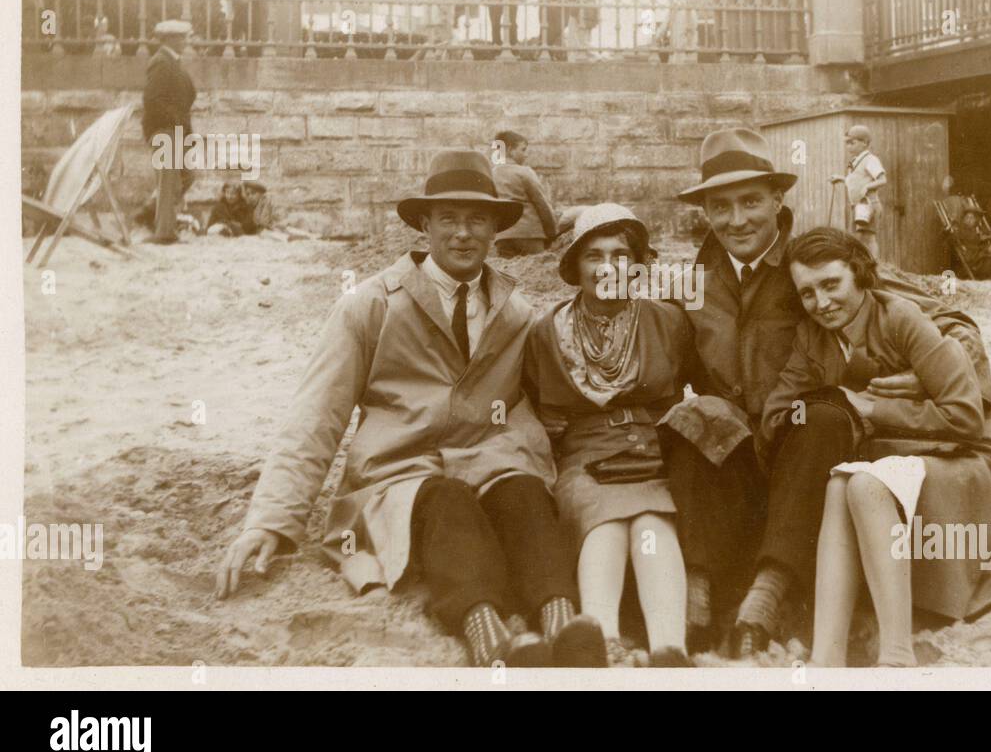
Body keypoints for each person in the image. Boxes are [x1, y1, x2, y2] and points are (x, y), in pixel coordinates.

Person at [215, 149, 606, 668]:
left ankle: (563, 627)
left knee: (526, 495)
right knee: (446, 504)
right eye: (449, 219)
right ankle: (489, 637)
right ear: (424, 224)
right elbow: (316, 416)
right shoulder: (371, 305)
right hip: (400, 475)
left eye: (477, 220)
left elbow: (560, 403)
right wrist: (269, 521)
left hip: (491, 463)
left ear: (496, 230)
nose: (463, 234)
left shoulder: (517, 314)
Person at [661, 128, 991, 658]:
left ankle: (769, 594)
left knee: (819, 415)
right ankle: (696, 591)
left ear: (778, 199)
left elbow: (948, 320)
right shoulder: (691, 282)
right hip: (740, 458)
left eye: (751, 202)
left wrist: (918, 374)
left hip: (811, 453)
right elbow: (662, 358)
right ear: (705, 212)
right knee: (690, 419)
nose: (738, 220)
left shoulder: (813, 262)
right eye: (720, 207)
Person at [761, 227, 991, 666]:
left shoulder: (901, 317)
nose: (822, 302)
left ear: (857, 273)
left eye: (831, 284)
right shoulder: (813, 338)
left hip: (975, 456)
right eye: (808, 293)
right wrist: (827, 405)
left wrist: (873, 410)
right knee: (840, 483)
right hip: (903, 460)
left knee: (865, 486)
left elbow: (966, 418)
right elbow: (777, 413)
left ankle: (896, 657)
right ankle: (827, 660)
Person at [524, 203, 693, 667]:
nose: (607, 267)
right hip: (583, 455)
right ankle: (602, 643)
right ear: (575, 267)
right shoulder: (546, 332)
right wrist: (545, 422)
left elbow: (690, 387)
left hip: (649, 448)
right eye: (594, 256)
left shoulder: (668, 321)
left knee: (652, 522)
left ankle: (669, 650)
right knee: (603, 519)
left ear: (637, 265)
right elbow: (530, 401)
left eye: (620, 254)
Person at [140, 20, 197, 244]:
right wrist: (173, 122)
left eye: (184, 37)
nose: (184, 41)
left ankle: (148, 212)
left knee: (186, 176)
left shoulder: (174, 62)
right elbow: (152, 99)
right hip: (164, 130)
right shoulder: (161, 62)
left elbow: (187, 96)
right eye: (180, 37)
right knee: (169, 181)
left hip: (178, 130)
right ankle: (164, 232)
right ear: (168, 39)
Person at [490, 131, 558, 257]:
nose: (526, 155)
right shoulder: (524, 172)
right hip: (529, 234)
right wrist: (552, 232)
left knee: (507, 273)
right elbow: (542, 204)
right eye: (523, 150)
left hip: (503, 237)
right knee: (536, 271)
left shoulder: (491, 174)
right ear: (510, 150)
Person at [840, 124, 888, 259]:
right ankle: (864, 263)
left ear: (865, 143)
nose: (849, 146)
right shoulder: (855, 161)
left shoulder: (870, 160)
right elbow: (855, 181)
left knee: (867, 237)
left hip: (867, 204)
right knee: (859, 236)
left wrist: (868, 187)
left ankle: (873, 264)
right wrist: (841, 179)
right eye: (847, 143)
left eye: (852, 143)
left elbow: (882, 179)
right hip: (858, 205)